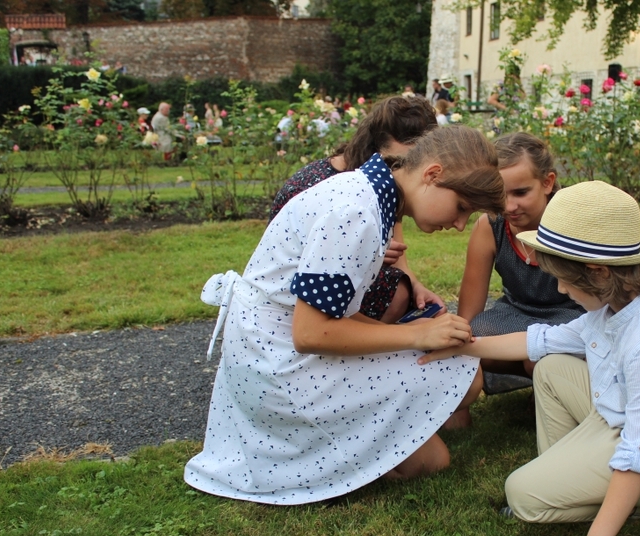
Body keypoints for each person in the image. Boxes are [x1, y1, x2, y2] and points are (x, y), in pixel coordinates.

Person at [420, 181, 640, 536]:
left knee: (523, 496)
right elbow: (541, 339)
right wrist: (463, 348)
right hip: (622, 419)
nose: (561, 290)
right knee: (550, 367)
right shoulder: (619, 304)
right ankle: (572, 482)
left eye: (564, 280)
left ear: (598, 272)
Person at [184, 126, 506, 505]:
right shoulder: (356, 211)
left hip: (273, 352)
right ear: (432, 175)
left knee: (458, 381)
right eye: (462, 207)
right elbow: (310, 334)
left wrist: (421, 328)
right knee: (433, 454)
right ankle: (319, 449)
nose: (458, 224)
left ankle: (351, 445)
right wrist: (416, 336)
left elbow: (336, 315)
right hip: (279, 370)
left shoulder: (367, 193)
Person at [270, 95, 442, 325]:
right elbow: (309, 262)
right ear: (375, 147)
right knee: (393, 293)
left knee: (401, 287)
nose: (408, 171)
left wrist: (416, 286)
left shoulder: (387, 187)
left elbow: (399, 258)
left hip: (336, 286)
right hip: (295, 296)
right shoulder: (340, 195)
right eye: (399, 163)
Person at [456, 133, 584, 412]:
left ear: (547, 183)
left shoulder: (572, 223)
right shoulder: (491, 226)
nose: (509, 206)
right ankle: (541, 380)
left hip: (570, 316)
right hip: (517, 312)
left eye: (521, 192)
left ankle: (553, 381)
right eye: (501, 194)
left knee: (541, 356)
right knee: (474, 335)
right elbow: (467, 315)